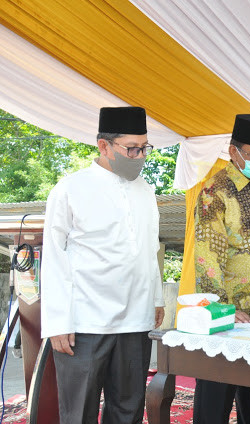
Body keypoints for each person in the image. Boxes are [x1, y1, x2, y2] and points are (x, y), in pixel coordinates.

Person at [41, 106, 165, 424]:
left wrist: (156, 299)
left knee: (128, 410)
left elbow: (149, 250)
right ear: (104, 145)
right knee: (78, 412)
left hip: (135, 320)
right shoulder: (69, 190)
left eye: (144, 148)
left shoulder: (147, 191)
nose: (139, 156)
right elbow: (54, 256)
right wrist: (57, 322)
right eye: (131, 148)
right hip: (84, 323)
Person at [192, 114, 250, 424]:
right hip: (226, 316)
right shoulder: (214, 191)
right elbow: (207, 256)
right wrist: (221, 308)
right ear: (233, 151)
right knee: (213, 407)